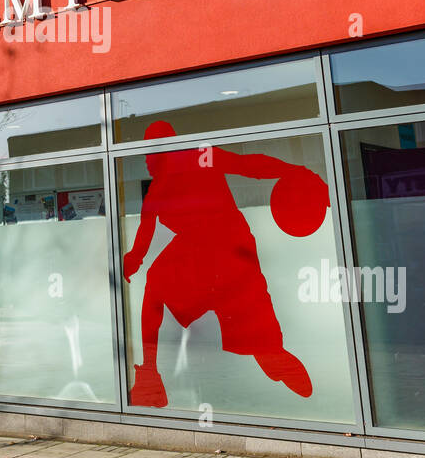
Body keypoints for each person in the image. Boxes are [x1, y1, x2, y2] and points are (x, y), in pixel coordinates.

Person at [123, 120, 323, 407]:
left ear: (162, 149)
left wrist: (290, 171)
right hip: (214, 248)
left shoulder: (195, 159)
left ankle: (152, 378)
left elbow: (248, 165)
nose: (146, 160)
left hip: (224, 243)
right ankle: (152, 377)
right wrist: (134, 258)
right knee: (160, 283)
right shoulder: (166, 182)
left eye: (149, 152)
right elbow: (146, 228)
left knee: (160, 284)